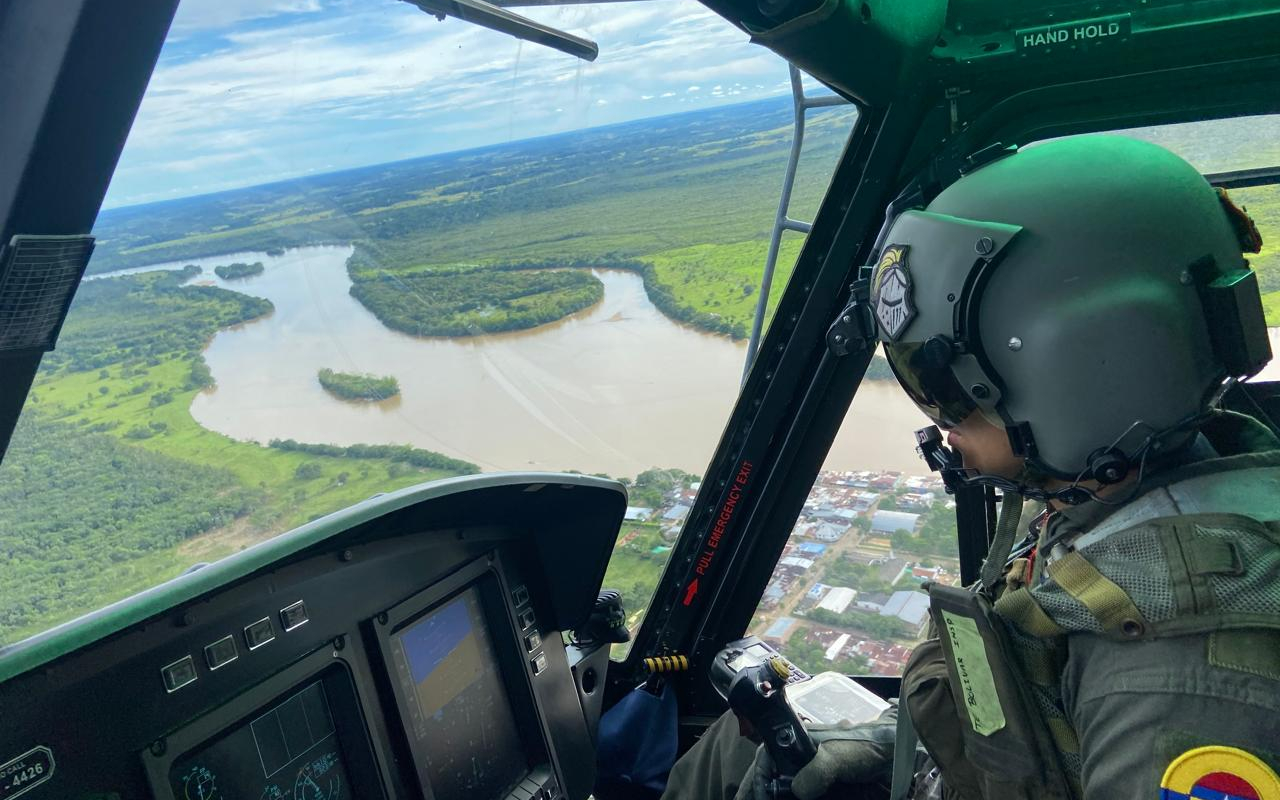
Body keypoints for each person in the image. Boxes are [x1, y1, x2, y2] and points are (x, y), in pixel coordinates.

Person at [661, 134, 1280, 800]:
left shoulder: (1178, 682)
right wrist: (878, 748)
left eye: (955, 397)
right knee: (735, 747)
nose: (943, 429)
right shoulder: (1125, 490)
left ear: (1085, 372)